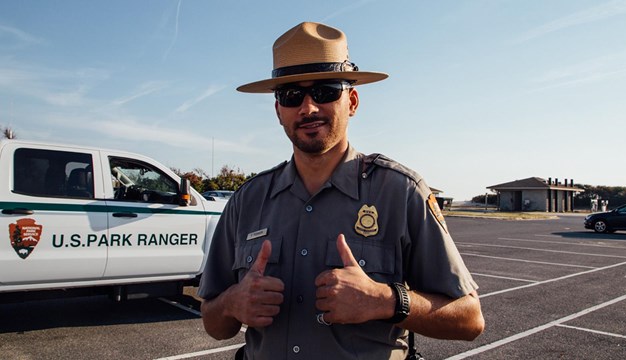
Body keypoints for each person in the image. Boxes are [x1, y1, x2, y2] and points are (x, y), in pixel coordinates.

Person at [198, 21, 485, 359]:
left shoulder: (401, 193)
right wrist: (233, 303)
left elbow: (469, 319)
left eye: (325, 91)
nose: (308, 108)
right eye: (292, 95)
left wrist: (385, 301)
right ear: (278, 110)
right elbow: (214, 324)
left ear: (352, 101)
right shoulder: (247, 201)